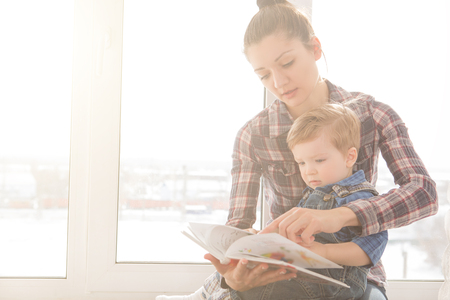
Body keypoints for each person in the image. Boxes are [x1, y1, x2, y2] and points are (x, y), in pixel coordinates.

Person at [157, 0, 438, 299]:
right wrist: (234, 276)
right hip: (281, 273)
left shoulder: (373, 114)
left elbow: (423, 193)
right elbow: (238, 227)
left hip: (356, 273)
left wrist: (338, 216)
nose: (278, 82)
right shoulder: (253, 135)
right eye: (264, 75)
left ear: (315, 49)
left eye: (287, 63)